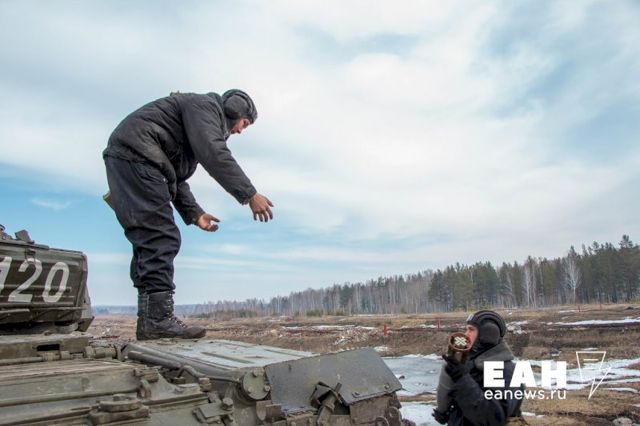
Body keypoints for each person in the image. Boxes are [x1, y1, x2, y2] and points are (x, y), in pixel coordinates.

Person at [103, 89, 273, 340]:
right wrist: (250, 194)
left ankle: (151, 321)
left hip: (134, 158)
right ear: (235, 109)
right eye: (244, 123)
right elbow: (214, 154)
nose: (240, 131)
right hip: (137, 156)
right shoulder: (205, 107)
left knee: (149, 240)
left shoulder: (192, 123)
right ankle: (158, 320)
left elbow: (175, 177)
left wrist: (195, 213)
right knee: (161, 238)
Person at [432, 310, 524, 425]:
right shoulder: (473, 365)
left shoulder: (505, 371)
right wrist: (448, 412)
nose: (466, 335)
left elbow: (492, 419)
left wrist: (462, 379)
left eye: (471, 330)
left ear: (487, 335)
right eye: (466, 329)